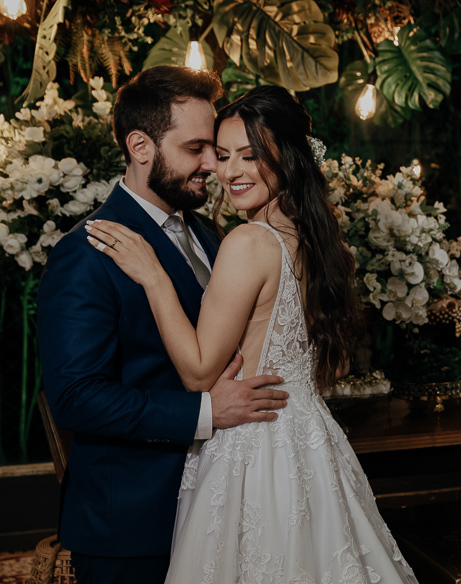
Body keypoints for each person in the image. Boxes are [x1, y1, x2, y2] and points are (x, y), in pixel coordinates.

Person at [85, 86, 419, 583]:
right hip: (308, 441)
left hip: (255, 447)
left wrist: (154, 276)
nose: (230, 171)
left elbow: (199, 373)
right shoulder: (315, 239)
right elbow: (332, 362)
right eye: (222, 156)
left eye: (251, 155)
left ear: (287, 157)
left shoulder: (247, 241)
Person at [37, 67, 289, 584]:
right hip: (133, 521)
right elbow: (77, 398)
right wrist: (206, 411)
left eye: (215, 149)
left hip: (221, 503)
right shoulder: (87, 253)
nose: (212, 165)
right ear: (140, 146)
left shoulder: (212, 235)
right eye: (196, 148)